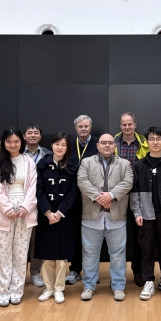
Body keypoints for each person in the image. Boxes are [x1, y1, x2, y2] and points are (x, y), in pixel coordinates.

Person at [77, 134, 133, 302]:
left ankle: (118, 286)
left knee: (118, 254)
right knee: (89, 253)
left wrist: (111, 195)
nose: (107, 145)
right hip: (91, 217)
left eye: (110, 143)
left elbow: (128, 183)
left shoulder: (125, 164)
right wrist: (99, 197)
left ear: (115, 145)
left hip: (116, 217)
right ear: (97, 145)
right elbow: (82, 181)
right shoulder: (86, 163)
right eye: (103, 143)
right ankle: (88, 286)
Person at [130, 127, 161, 301]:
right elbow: (134, 192)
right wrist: (137, 212)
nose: (155, 142)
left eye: (158, 138)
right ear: (146, 142)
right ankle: (148, 281)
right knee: (146, 248)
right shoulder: (139, 165)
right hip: (146, 215)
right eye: (151, 139)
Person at [0, 128, 38, 306]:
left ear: (21, 142)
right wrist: (7, 209)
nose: (13, 144)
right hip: (4, 211)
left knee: (20, 253)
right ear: (4, 143)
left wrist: (26, 207)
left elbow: (33, 186)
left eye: (16, 141)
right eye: (9, 141)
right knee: (2, 254)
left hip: (25, 211)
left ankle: (17, 290)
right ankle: (2, 291)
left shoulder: (28, 161)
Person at [35, 132, 79, 304]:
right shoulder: (42, 164)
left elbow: (73, 192)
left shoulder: (73, 165)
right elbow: (38, 190)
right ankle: (48, 288)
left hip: (64, 216)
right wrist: (47, 212)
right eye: (57, 144)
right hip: (46, 216)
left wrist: (60, 213)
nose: (60, 148)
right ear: (51, 145)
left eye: (63, 145)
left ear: (68, 147)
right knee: (47, 254)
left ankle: (59, 288)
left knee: (61, 256)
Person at [113, 112, 148, 287]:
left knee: (139, 235)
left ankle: (138, 271)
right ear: (120, 126)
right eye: (124, 124)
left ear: (135, 124)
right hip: (117, 195)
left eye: (130, 124)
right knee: (115, 236)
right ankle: (117, 275)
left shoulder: (144, 143)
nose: (127, 127)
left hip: (138, 194)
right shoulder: (113, 143)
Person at [66, 114, 99, 285]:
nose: (83, 129)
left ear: (90, 127)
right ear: (76, 128)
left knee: (94, 235)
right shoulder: (69, 145)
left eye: (86, 126)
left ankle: (92, 271)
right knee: (74, 234)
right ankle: (74, 269)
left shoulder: (99, 144)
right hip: (73, 196)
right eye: (80, 126)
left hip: (93, 196)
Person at [23, 123, 52, 288]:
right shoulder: (17, 153)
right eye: (29, 133)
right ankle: (19, 274)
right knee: (20, 240)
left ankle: (35, 272)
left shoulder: (48, 154)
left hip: (42, 202)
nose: (33, 135)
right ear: (24, 136)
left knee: (37, 240)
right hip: (21, 203)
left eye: (36, 133)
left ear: (40, 136)